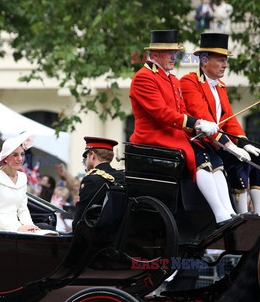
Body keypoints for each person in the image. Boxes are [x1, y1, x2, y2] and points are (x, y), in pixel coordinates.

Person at [129, 29, 234, 227]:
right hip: (154, 136)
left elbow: (182, 110)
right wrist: (198, 123)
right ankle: (219, 213)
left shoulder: (172, 79)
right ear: (156, 54)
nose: (174, 57)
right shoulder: (143, 77)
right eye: (170, 53)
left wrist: (199, 130)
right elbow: (161, 113)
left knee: (213, 155)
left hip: (175, 134)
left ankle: (228, 211)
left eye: (175, 52)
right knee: (199, 156)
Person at [180, 33, 260, 215]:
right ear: (205, 61)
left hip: (217, 143)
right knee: (241, 160)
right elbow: (203, 117)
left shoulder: (220, 85)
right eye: (221, 60)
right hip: (202, 143)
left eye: (226, 60)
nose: (225, 65)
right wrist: (230, 145)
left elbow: (230, 119)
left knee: (255, 156)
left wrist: (244, 143)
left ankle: (257, 214)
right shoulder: (189, 82)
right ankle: (241, 216)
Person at [0, 132, 41, 232]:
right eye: (15, 155)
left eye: (22, 154)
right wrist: (17, 228)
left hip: (17, 227)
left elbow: (22, 209)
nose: (20, 159)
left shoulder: (23, 177)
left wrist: (31, 227)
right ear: (5, 158)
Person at [73, 137, 125, 229]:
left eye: (86, 156)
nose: (86, 160)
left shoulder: (91, 180)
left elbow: (80, 218)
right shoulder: (122, 176)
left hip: (96, 238)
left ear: (92, 155)